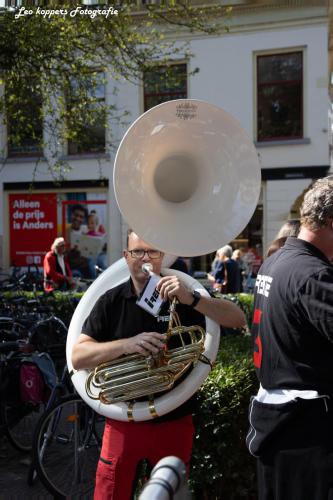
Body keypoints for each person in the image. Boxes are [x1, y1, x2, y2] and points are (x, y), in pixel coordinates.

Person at [72, 229, 246, 500]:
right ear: (126, 256)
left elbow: (237, 319)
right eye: (137, 251)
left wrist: (193, 299)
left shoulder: (183, 294)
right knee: (110, 492)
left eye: (152, 251)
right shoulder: (110, 300)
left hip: (174, 418)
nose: (145, 258)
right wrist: (126, 345)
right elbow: (78, 356)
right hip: (122, 419)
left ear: (161, 256)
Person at [246, 176, 333, 500]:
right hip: (306, 432)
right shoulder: (313, 274)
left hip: (274, 422)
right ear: (330, 222)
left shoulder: (275, 262)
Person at [65, 204, 97, 279]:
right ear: (71, 215)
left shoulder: (86, 232)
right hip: (73, 267)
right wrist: (70, 251)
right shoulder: (65, 233)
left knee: (92, 266)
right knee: (76, 275)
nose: (78, 218)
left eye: (81, 217)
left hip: (87, 266)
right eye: (76, 215)